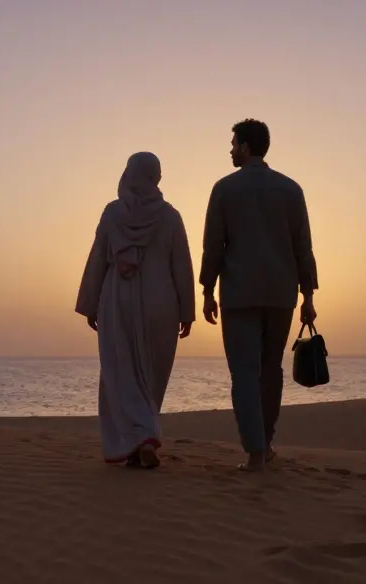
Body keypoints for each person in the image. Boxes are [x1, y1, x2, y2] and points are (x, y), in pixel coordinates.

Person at [199, 119, 318, 472]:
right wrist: (308, 296)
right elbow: (303, 246)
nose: (230, 150)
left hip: (239, 296)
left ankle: (255, 453)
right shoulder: (291, 189)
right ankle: (265, 444)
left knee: (244, 375)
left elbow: (213, 245)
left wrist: (207, 289)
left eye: (234, 144)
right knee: (270, 371)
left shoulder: (224, 189)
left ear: (246, 147)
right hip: (281, 295)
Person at [76, 152, 196, 469]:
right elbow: (181, 265)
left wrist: (90, 303)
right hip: (161, 301)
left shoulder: (112, 213)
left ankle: (136, 439)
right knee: (151, 373)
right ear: (156, 177)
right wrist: (187, 311)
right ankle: (144, 437)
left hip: (118, 299)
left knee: (119, 372)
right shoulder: (170, 216)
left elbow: (98, 258)